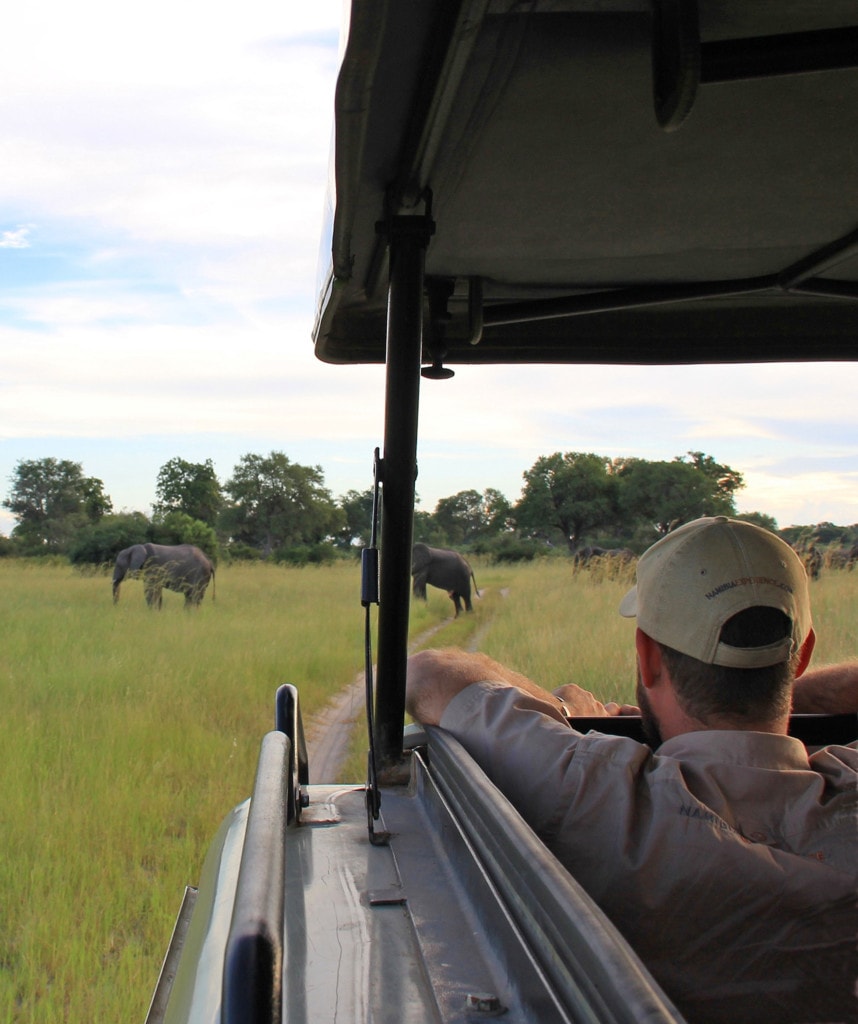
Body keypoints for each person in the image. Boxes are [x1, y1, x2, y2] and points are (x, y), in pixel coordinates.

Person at [405, 516, 858, 1024]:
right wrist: (780, 693)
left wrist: (569, 719)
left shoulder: (591, 789)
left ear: (647, 657)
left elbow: (427, 674)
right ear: (802, 656)